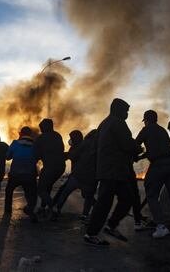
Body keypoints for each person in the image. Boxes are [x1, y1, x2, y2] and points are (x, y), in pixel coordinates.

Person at [84, 98, 141, 247]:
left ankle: (110, 226)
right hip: (113, 170)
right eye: (126, 110)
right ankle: (91, 234)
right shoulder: (118, 123)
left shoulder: (104, 123)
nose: (127, 113)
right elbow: (127, 144)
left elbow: (94, 147)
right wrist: (138, 148)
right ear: (118, 109)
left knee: (126, 197)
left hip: (109, 169)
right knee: (105, 202)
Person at [135, 110, 170, 243]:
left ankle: (161, 226)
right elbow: (157, 149)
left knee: (152, 195)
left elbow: (136, 144)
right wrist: (143, 156)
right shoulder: (162, 131)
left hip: (159, 165)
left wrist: (134, 155)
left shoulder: (147, 129)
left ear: (146, 120)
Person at [4, 126, 38, 222]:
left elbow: (7, 157)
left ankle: (7, 211)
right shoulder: (35, 145)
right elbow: (37, 158)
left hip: (16, 174)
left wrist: (9, 150)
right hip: (30, 175)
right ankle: (30, 209)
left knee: (9, 191)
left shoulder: (15, 143)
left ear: (20, 134)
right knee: (31, 193)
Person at [34, 118, 66, 221]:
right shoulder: (57, 135)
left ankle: (53, 208)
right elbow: (62, 149)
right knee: (47, 187)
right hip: (61, 166)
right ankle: (43, 208)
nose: (41, 129)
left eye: (41, 127)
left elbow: (36, 154)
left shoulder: (41, 138)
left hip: (50, 167)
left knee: (41, 189)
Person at [53, 130, 84, 215]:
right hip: (77, 175)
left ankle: (56, 209)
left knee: (64, 192)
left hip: (78, 175)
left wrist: (60, 156)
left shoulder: (81, 147)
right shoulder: (76, 146)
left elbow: (71, 155)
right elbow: (69, 155)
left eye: (71, 138)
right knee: (87, 195)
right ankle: (55, 206)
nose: (70, 140)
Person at [72, 129, 99, 222]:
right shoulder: (100, 144)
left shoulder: (85, 143)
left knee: (87, 195)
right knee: (88, 195)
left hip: (83, 173)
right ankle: (86, 214)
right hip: (93, 174)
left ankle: (88, 213)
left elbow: (74, 155)